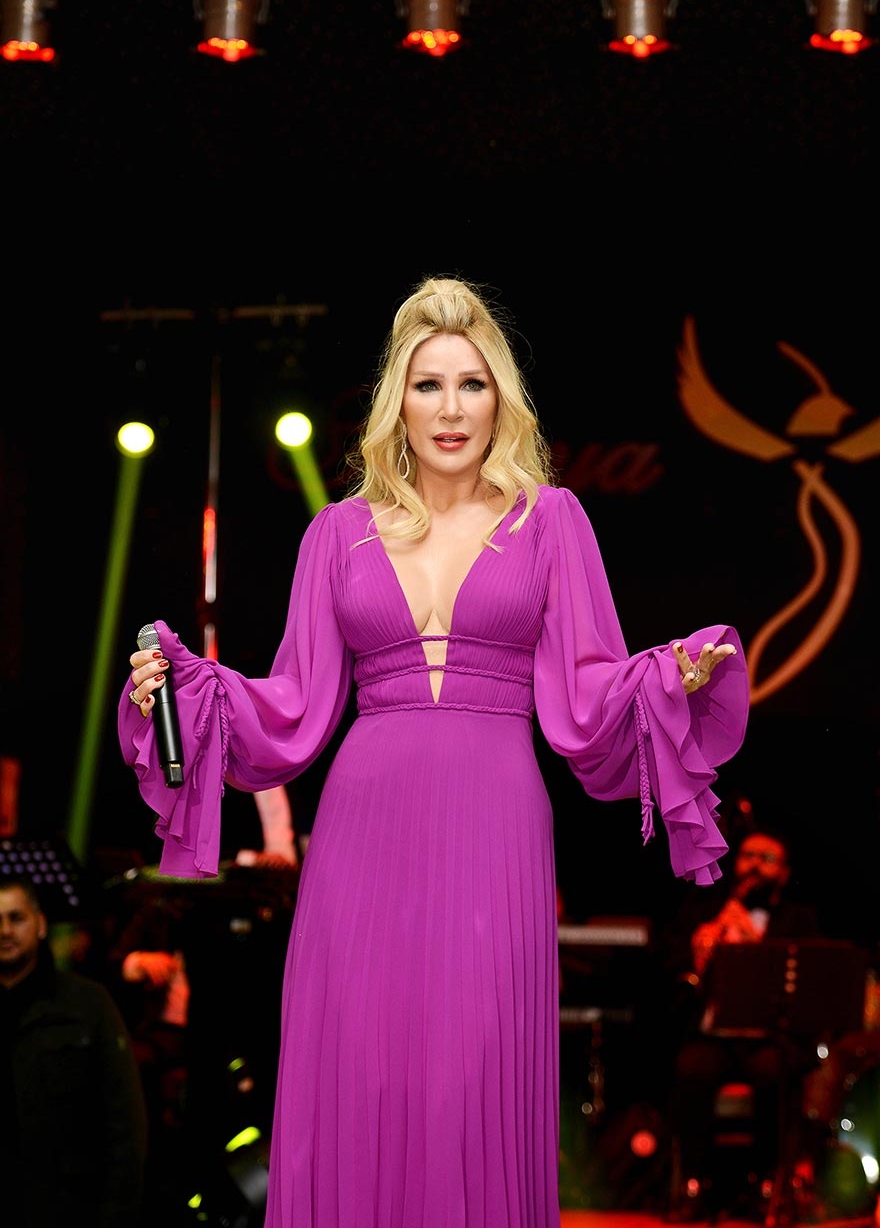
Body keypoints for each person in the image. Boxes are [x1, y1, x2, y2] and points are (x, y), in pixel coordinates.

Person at [118, 274, 749, 1228]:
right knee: (360, 1069)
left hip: (496, 821)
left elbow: (587, 694)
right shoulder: (336, 534)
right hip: (363, 830)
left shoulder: (552, 520)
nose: (450, 408)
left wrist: (670, 677)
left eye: (471, 384)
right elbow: (292, 705)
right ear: (397, 404)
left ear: (501, 400)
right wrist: (186, 688)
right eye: (428, 385)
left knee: (473, 1072)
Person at [661, 825, 822, 1221]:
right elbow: (670, 972)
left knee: (775, 1072)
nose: (755, 866)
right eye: (748, 856)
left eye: (767, 859)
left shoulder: (798, 919)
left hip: (769, 1036)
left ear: (784, 872)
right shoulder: (706, 911)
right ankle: (695, 1184)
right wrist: (700, 950)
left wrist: (752, 938)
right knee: (691, 1068)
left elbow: (809, 982)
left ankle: (768, 1184)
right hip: (715, 1034)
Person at [0, 873, 149, 1228]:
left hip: (68, 1209)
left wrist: (115, 1214)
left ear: (40, 925)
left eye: (16, 918)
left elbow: (125, 1123)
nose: (4, 931)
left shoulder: (87, 1004)